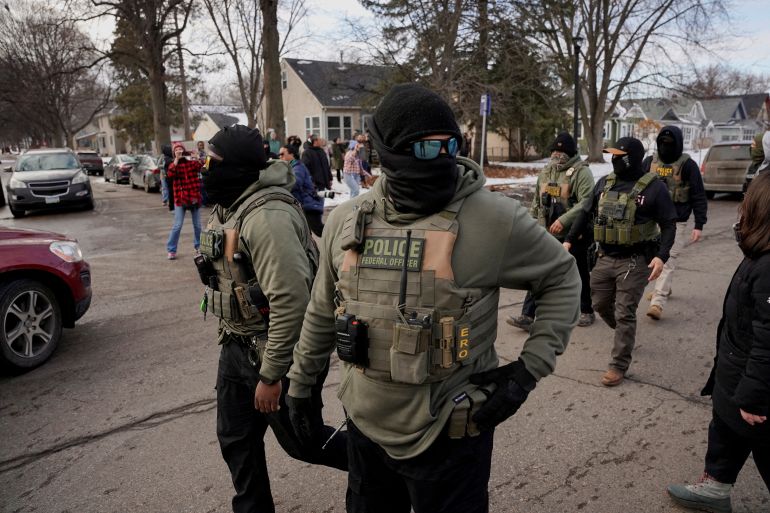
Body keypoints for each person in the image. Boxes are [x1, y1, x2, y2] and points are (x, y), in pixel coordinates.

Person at [285, 84, 579, 513]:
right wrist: (301, 385)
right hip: (366, 428)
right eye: (424, 148)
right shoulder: (347, 222)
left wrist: (527, 372)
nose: (441, 159)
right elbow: (322, 310)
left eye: (451, 145)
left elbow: (562, 277)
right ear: (388, 149)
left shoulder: (493, 220)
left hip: (451, 435)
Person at [198, 125, 347, 513]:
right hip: (235, 347)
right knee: (236, 440)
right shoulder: (229, 205)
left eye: (212, 161)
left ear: (238, 168)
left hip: (274, 356)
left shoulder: (268, 217)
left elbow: (292, 306)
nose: (204, 167)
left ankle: (385, 473)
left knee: (306, 443)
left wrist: (271, 376)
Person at [667, 171, 770, 512]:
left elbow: (769, 341)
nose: (741, 210)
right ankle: (716, 487)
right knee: (725, 428)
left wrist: (755, 397)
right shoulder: (760, 254)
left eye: (746, 203)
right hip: (735, 371)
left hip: (756, 389)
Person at [578, 137, 677, 386]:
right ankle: (626, 331)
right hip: (604, 257)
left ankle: (618, 364)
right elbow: (585, 211)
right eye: (612, 155)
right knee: (599, 304)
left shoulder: (654, 188)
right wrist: (569, 240)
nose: (614, 160)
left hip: (634, 260)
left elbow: (668, 224)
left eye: (618, 155)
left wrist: (661, 256)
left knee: (624, 312)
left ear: (631, 157)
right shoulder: (605, 183)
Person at [507, 132, 596, 330]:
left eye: (560, 151)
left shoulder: (582, 173)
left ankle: (587, 310)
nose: (556, 154)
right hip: (547, 233)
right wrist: (529, 226)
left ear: (570, 152)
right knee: (539, 273)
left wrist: (564, 221)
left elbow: (586, 203)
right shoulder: (546, 172)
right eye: (554, 151)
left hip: (575, 234)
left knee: (579, 271)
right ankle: (528, 315)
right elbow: (536, 203)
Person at [643, 126, 708, 320]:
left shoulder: (688, 165)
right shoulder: (649, 162)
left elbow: (698, 195)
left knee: (668, 259)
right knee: (651, 257)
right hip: (651, 219)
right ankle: (665, 287)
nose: (665, 147)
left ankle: (658, 301)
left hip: (677, 220)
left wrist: (699, 224)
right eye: (662, 143)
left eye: (670, 144)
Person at [165, 143, 202, 260]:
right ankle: (171, 250)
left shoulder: (191, 163)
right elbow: (170, 174)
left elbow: (202, 166)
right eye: (177, 150)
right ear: (174, 153)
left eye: (181, 149)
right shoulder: (173, 165)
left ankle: (199, 247)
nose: (179, 151)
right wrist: (176, 159)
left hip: (194, 198)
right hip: (180, 200)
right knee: (177, 225)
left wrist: (196, 156)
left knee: (197, 225)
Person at [280, 144, 325, 237]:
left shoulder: (297, 168)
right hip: (302, 205)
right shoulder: (290, 167)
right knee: (304, 233)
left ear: (291, 154)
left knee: (321, 231)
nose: (280, 156)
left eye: (282, 154)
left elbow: (295, 183)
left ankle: (342, 241)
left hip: (308, 205)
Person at [160, 144, 174, 208]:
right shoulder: (163, 158)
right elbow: (159, 165)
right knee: (165, 188)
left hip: (170, 175)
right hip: (164, 175)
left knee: (170, 189)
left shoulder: (172, 157)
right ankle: (165, 200)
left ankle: (171, 203)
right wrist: (163, 166)